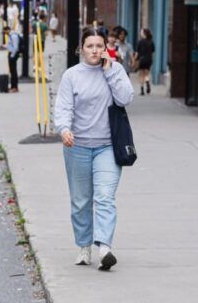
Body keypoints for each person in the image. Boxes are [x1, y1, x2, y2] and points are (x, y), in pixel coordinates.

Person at [54, 26, 134, 271]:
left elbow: (125, 98)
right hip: (77, 147)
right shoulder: (72, 75)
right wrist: (64, 129)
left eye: (99, 45)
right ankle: (84, 246)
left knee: (104, 197)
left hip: (107, 147)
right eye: (90, 46)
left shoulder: (116, 70)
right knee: (80, 201)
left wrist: (110, 72)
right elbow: (64, 107)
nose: (95, 50)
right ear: (81, 48)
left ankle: (105, 248)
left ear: (105, 47)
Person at [135, 28, 155, 95]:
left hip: (142, 59)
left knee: (141, 75)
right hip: (148, 59)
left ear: (144, 33)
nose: (140, 33)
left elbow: (137, 53)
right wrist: (151, 60)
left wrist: (135, 60)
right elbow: (152, 53)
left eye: (141, 32)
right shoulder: (151, 42)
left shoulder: (140, 42)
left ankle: (142, 90)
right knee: (147, 73)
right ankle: (147, 82)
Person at [4, 25, 22, 93]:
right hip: (12, 54)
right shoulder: (11, 36)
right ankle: (13, 86)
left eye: (5, 31)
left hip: (13, 55)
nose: (5, 33)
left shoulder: (13, 36)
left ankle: (15, 87)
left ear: (8, 30)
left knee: (13, 71)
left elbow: (15, 47)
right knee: (12, 71)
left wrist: (12, 56)